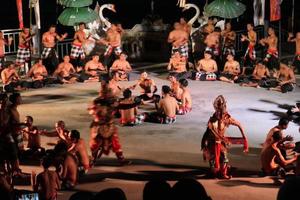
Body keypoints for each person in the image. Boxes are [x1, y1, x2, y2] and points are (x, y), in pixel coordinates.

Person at [201, 95, 248, 179]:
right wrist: (224, 140)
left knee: (224, 156)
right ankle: (215, 172)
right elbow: (213, 132)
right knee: (213, 157)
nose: (221, 115)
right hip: (211, 141)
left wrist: (244, 138)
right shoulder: (212, 120)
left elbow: (239, 125)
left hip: (220, 141)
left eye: (222, 113)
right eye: (220, 113)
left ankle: (222, 173)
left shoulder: (227, 119)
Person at [88, 97, 130, 166]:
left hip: (110, 128)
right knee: (95, 145)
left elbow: (122, 106)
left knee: (115, 143)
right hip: (98, 128)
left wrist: (134, 104)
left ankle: (121, 160)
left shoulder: (111, 107)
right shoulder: (97, 107)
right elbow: (92, 112)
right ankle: (93, 160)